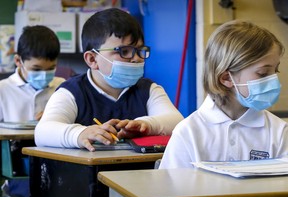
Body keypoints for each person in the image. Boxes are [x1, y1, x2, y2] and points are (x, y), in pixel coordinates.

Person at [35, 8, 184, 152]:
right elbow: (43, 131)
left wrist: (146, 124)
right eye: (124, 51)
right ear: (92, 59)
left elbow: (177, 122)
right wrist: (80, 134)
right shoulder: (72, 92)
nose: (136, 58)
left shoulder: (148, 89)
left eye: (139, 50)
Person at [159, 20, 288, 169]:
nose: (274, 80)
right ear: (226, 78)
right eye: (263, 73)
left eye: (275, 71)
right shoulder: (188, 133)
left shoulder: (278, 131)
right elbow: (171, 189)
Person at [0, 25, 65, 197]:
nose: (44, 75)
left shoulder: (63, 87)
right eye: (36, 69)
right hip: (19, 170)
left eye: (51, 68)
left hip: (58, 165)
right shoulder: (3, 90)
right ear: (18, 61)